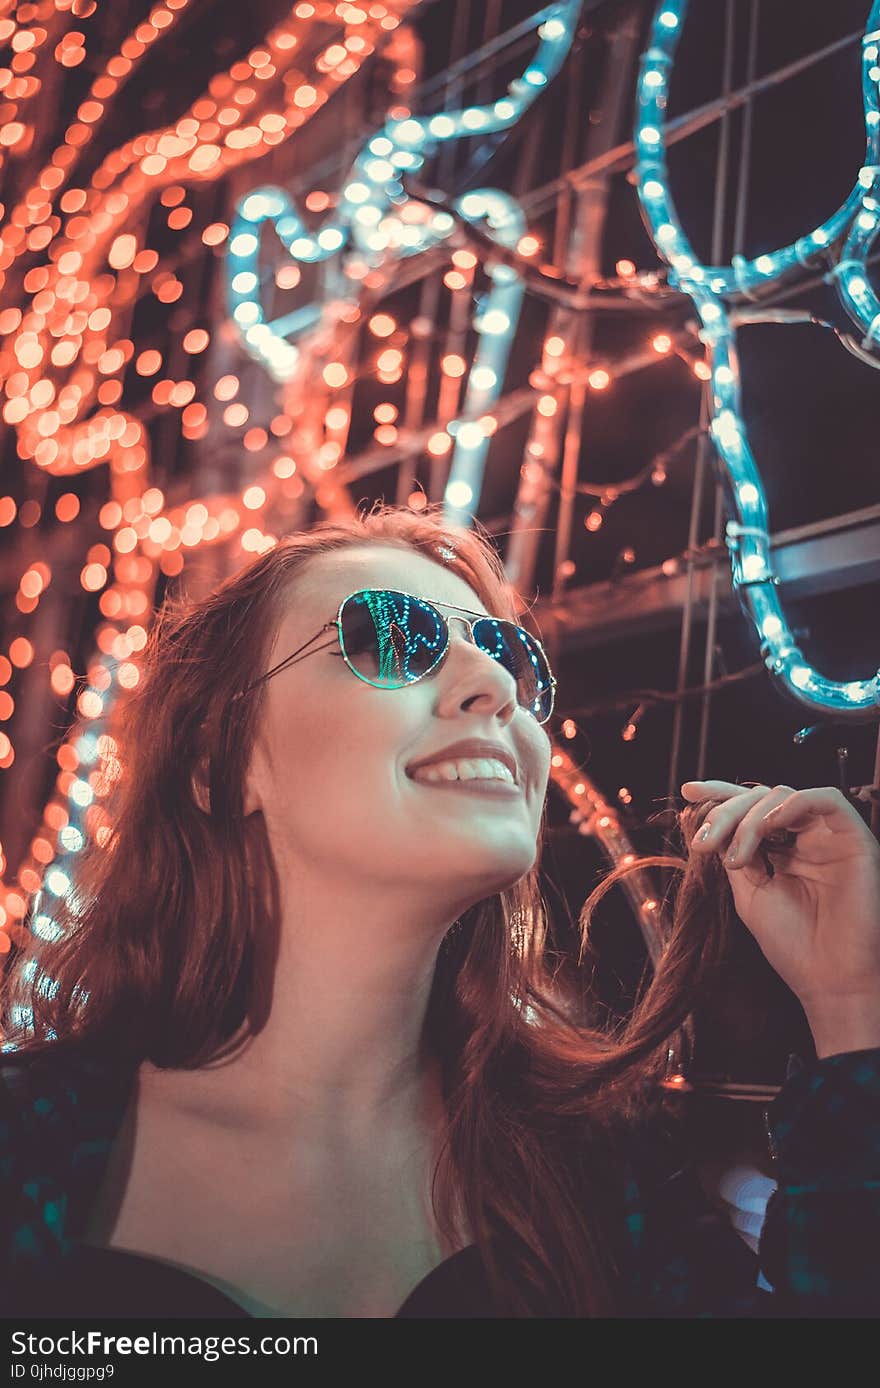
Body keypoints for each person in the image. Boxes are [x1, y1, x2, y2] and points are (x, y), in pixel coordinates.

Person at [0, 500, 877, 1318]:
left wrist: (852, 1006)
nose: (492, 685)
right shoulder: (28, 1145)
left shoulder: (604, 1170)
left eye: (509, 655)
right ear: (218, 768)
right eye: (385, 637)